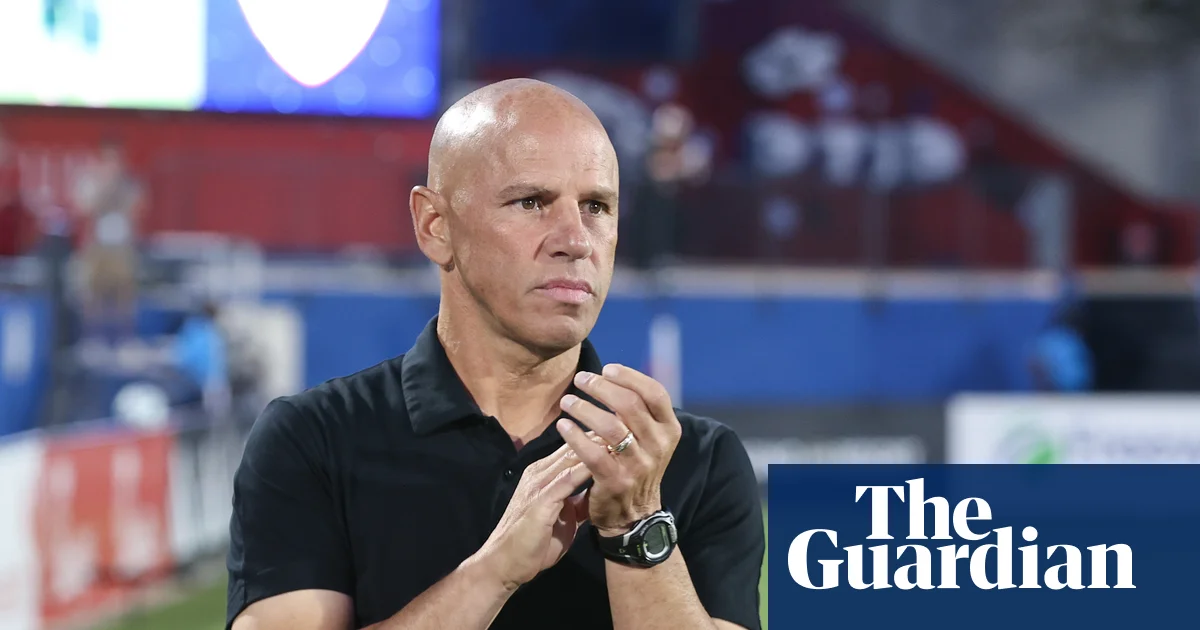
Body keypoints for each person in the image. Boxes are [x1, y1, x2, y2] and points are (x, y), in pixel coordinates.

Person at [226, 79, 764, 630]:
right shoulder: (314, 439)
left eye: (596, 206)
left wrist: (636, 527)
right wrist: (494, 572)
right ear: (435, 226)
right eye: (531, 202)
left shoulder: (695, 459)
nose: (576, 240)